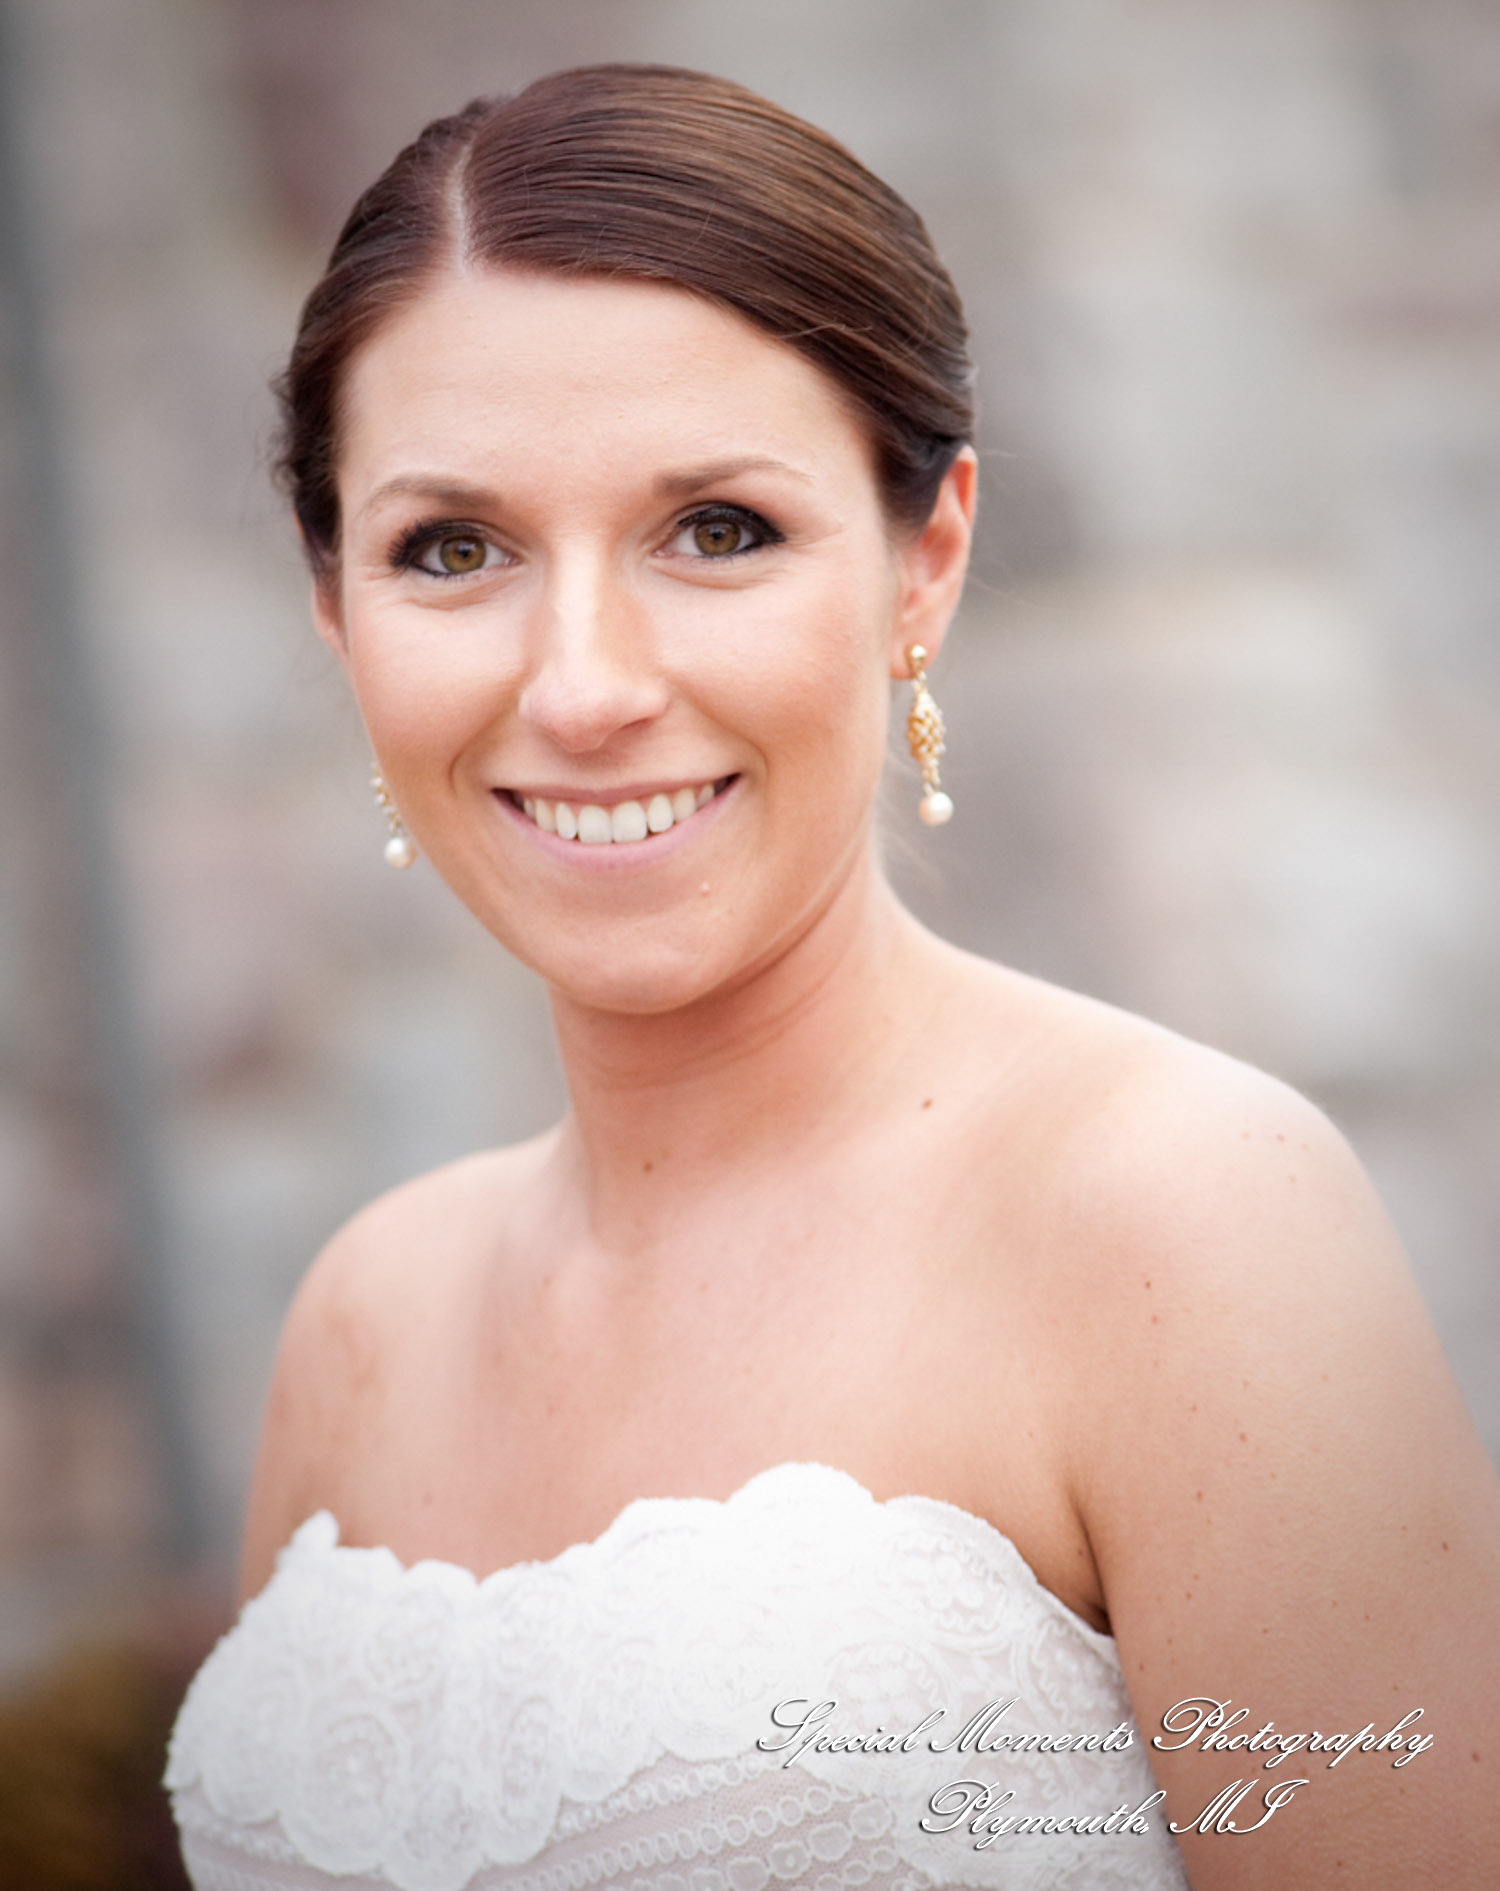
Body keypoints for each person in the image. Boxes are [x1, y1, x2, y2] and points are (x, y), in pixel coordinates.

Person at [164, 63, 1499, 1891]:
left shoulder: (1180, 1218)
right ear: (338, 613)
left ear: (920, 562)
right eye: (451, 549)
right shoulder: (364, 1318)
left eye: (718, 529)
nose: (582, 686)